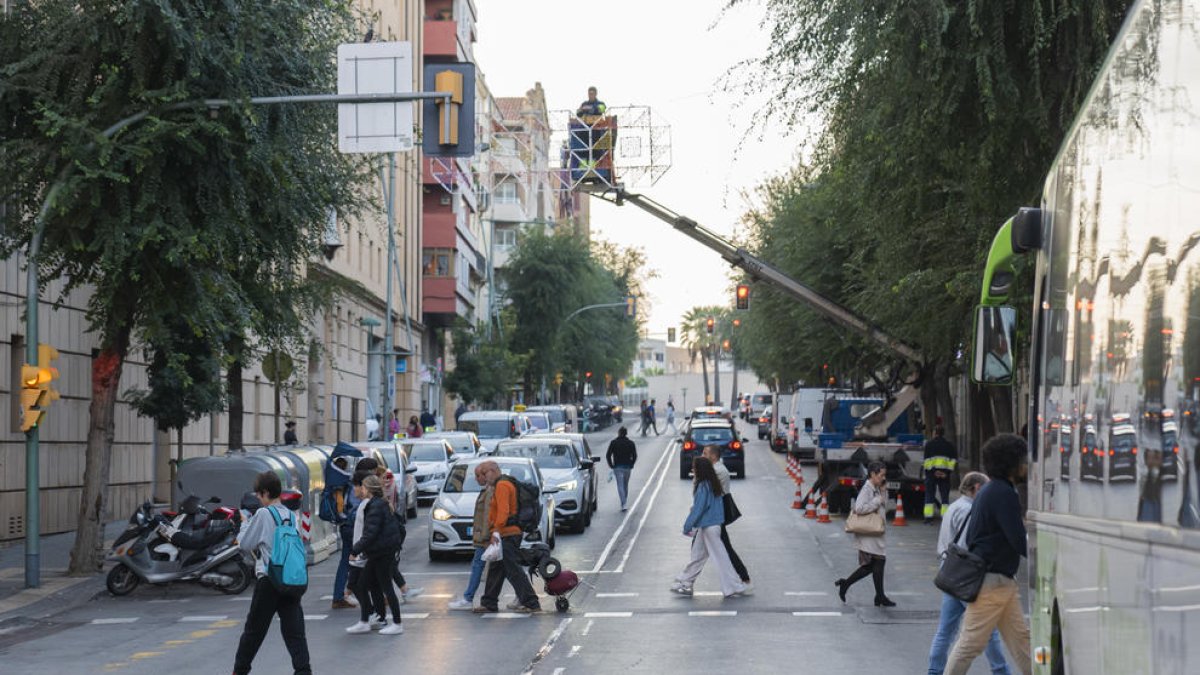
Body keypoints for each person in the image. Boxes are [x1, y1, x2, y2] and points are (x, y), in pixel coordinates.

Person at [945, 434, 1032, 675]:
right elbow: (1017, 538)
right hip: (993, 581)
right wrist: (1042, 559)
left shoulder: (990, 491)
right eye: (1023, 460)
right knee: (970, 644)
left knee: (1022, 643)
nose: (1027, 465)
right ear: (1010, 463)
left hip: (999, 581)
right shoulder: (1003, 493)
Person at [927, 472, 1010, 675]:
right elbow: (968, 547)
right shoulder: (970, 510)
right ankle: (1001, 671)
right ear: (977, 488)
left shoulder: (954, 507)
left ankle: (934, 671)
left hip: (950, 571)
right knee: (988, 629)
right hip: (967, 575)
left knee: (946, 630)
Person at [232, 471, 311, 675]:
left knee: (253, 632)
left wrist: (244, 522)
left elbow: (245, 543)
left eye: (259, 494)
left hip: (269, 580)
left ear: (266, 492)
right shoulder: (290, 515)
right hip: (289, 579)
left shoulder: (264, 514)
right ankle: (303, 671)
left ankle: (239, 671)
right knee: (294, 632)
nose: (258, 498)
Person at [671, 457, 749, 598]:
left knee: (721, 558)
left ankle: (733, 586)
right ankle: (684, 581)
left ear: (700, 470)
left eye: (694, 467)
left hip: (709, 527)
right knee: (698, 556)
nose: (692, 470)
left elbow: (699, 509)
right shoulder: (713, 484)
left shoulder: (703, 486)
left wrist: (687, 526)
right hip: (709, 526)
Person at [474, 461, 541, 613]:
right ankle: (489, 602)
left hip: (507, 533)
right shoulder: (503, 483)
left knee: (513, 570)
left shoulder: (502, 486)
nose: (483, 478)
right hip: (507, 532)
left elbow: (503, 512)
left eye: (484, 473)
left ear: (492, 471)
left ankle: (531, 602)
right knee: (496, 569)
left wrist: (496, 532)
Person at [346, 474, 404, 635]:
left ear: (369, 489)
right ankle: (366, 620)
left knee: (385, 587)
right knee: (364, 584)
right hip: (379, 552)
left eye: (363, 487)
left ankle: (397, 623)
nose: (361, 489)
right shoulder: (378, 504)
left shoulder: (375, 506)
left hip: (382, 553)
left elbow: (370, 533)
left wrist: (355, 550)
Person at [834, 461, 894, 606]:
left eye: (884, 475)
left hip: (875, 532)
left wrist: (884, 492)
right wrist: (878, 499)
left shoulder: (877, 487)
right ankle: (878, 595)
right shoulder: (867, 488)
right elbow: (859, 508)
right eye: (881, 475)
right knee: (877, 562)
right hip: (868, 532)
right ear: (873, 474)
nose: (883, 478)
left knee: (872, 565)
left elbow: (884, 505)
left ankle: (849, 585)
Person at [702, 445, 751, 590]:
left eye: (705, 453)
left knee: (725, 548)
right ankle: (686, 579)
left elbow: (706, 489)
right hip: (713, 513)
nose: (702, 456)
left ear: (714, 456)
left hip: (715, 513)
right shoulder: (716, 469)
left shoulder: (718, 471)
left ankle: (742, 578)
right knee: (702, 550)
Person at [448, 464, 494, 610]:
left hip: (485, 537)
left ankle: (468, 598)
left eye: (478, 475)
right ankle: (523, 596)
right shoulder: (487, 490)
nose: (476, 478)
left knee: (478, 565)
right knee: (504, 568)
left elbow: (487, 515)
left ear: (486, 475)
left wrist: (486, 537)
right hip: (486, 536)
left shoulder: (490, 491)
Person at [330, 455, 361, 611]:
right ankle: (375, 596)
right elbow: (356, 508)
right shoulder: (351, 486)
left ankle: (338, 596)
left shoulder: (337, 485)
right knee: (361, 560)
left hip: (344, 526)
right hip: (353, 526)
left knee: (346, 561)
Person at [923, 425, 958, 524]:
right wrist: (946, 473)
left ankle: (928, 518)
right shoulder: (949, 445)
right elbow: (953, 461)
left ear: (935, 433)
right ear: (943, 433)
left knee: (929, 496)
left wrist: (933, 471)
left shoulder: (929, 445)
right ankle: (945, 517)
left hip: (931, 475)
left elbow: (927, 461)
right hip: (944, 476)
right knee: (944, 498)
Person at [605, 426, 638, 511]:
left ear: (619, 433)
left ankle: (623, 503)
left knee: (620, 485)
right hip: (627, 467)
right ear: (626, 433)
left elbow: (608, 455)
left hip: (617, 467)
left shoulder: (614, 443)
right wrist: (632, 464)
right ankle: (624, 502)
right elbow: (634, 455)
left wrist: (611, 465)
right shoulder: (631, 443)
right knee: (625, 485)